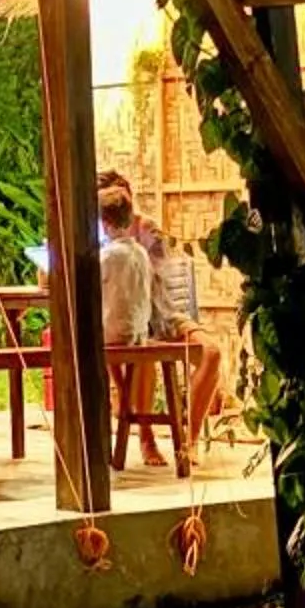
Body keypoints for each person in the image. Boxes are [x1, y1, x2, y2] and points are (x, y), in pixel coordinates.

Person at [97, 168, 227, 450]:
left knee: (211, 353)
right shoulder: (99, 238)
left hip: (164, 314)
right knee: (140, 351)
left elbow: (156, 282)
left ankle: (187, 442)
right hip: (128, 323)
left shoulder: (146, 230)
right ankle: (146, 436)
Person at [97, 182, 164, 468]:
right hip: (138, 334)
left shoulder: (107, 256)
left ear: (104, 223)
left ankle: (114, 410)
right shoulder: (140, 253)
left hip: (114, 335)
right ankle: (129, 407)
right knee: (115, 331)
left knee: (88, 341)